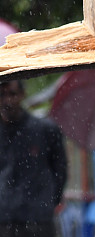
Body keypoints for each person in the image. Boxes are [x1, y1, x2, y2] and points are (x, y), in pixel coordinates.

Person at [0, 80, 67, 237]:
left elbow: (60, 170)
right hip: (4, 219)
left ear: (22, 95)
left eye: (12, 94)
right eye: (1, 95)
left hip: (38, 220)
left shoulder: (45, 130)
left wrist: (48, 202)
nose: (7, 100)